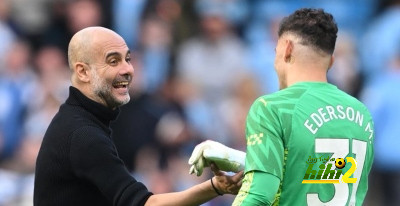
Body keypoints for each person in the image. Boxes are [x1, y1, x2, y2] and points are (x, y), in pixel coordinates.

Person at [33, 26, 243, 206]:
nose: (128, 69)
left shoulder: (82, 121)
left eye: (128, 59)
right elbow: (144, 203)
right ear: (83, 72)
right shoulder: (82, 134)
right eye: (113, 61)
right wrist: (215, 187)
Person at [189, 8, 374, 206]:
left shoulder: (273, 107)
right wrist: (238, 158)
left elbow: (259, 196)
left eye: (274, 51)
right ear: (331, 62)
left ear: (287, 49)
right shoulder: (361, 113)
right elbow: (322, 173)